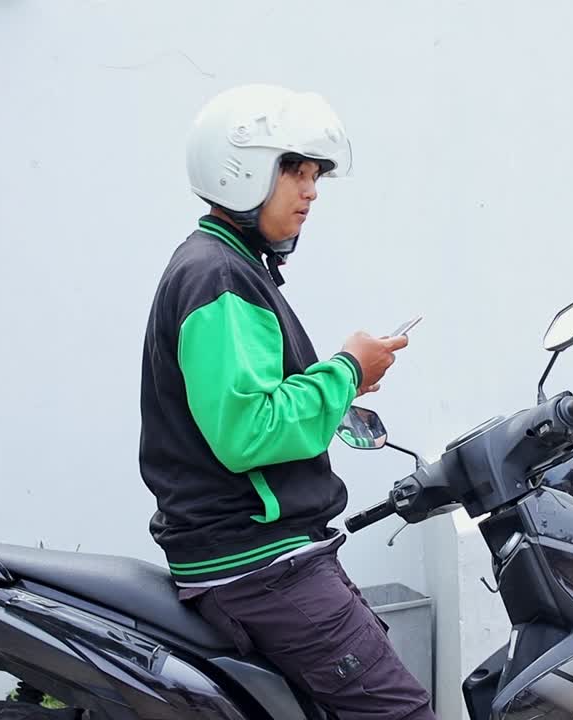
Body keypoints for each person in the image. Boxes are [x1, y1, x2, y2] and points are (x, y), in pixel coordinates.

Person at [138, 84, 435, 720]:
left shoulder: (229, 267)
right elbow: (249, 431)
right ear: (242, 171)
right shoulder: (219, 278)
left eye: (316, 175)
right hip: (259, 564)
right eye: (297, 173)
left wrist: (342, 378)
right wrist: (348, 371)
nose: (312, 191)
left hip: (266, 557)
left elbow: (252, 402)